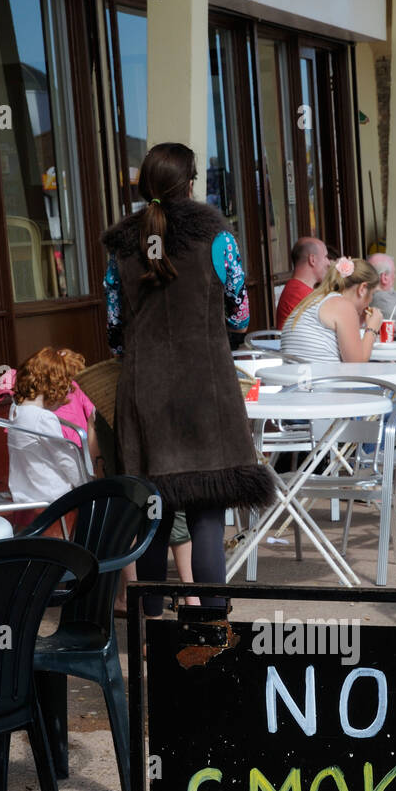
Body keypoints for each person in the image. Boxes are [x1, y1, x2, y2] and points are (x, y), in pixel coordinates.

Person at [102, 141, 273, 612]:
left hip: (143, 394)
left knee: (151, 518)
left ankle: (151, 629)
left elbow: (115, 333)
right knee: (208, 518)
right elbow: (239, 314)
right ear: (191, 182)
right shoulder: (218, 239)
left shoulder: (120, 248)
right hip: (208, 390)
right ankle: (214, 627)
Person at [5, 348, 97, 518]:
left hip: (24, 492)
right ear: (53, 388)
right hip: (50, 494)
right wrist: (88, 484)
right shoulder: (43, 418)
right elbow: (66, 460)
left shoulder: (15, 411)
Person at [279, 257, 383, 361]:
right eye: (372, 294)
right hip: (321, 376)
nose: (371, 300)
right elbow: (357, 364)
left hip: (298, 374)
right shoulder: (343, 306)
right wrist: (372, 328)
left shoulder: (316, 299)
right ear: (362, 289)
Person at [275, 237, 331, 328]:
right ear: (312, 260)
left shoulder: (297, 288)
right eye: (325, 257)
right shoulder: (299, 293)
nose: (329, 263)